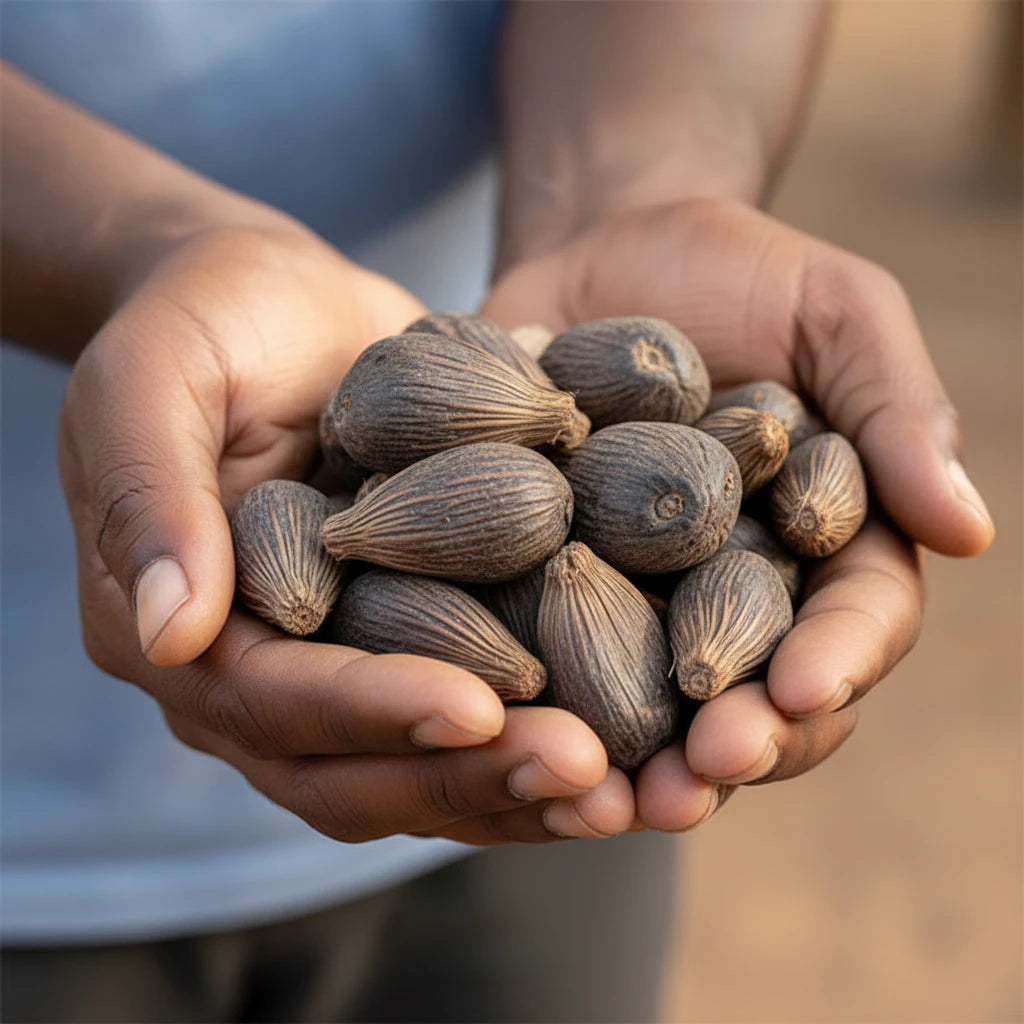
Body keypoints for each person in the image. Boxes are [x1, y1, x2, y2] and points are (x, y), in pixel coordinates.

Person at [0, 2, 995, 1021]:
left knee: (556, 778)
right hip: (26, 827)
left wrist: (643, 188)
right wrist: (141, 245)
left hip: (533, 808)